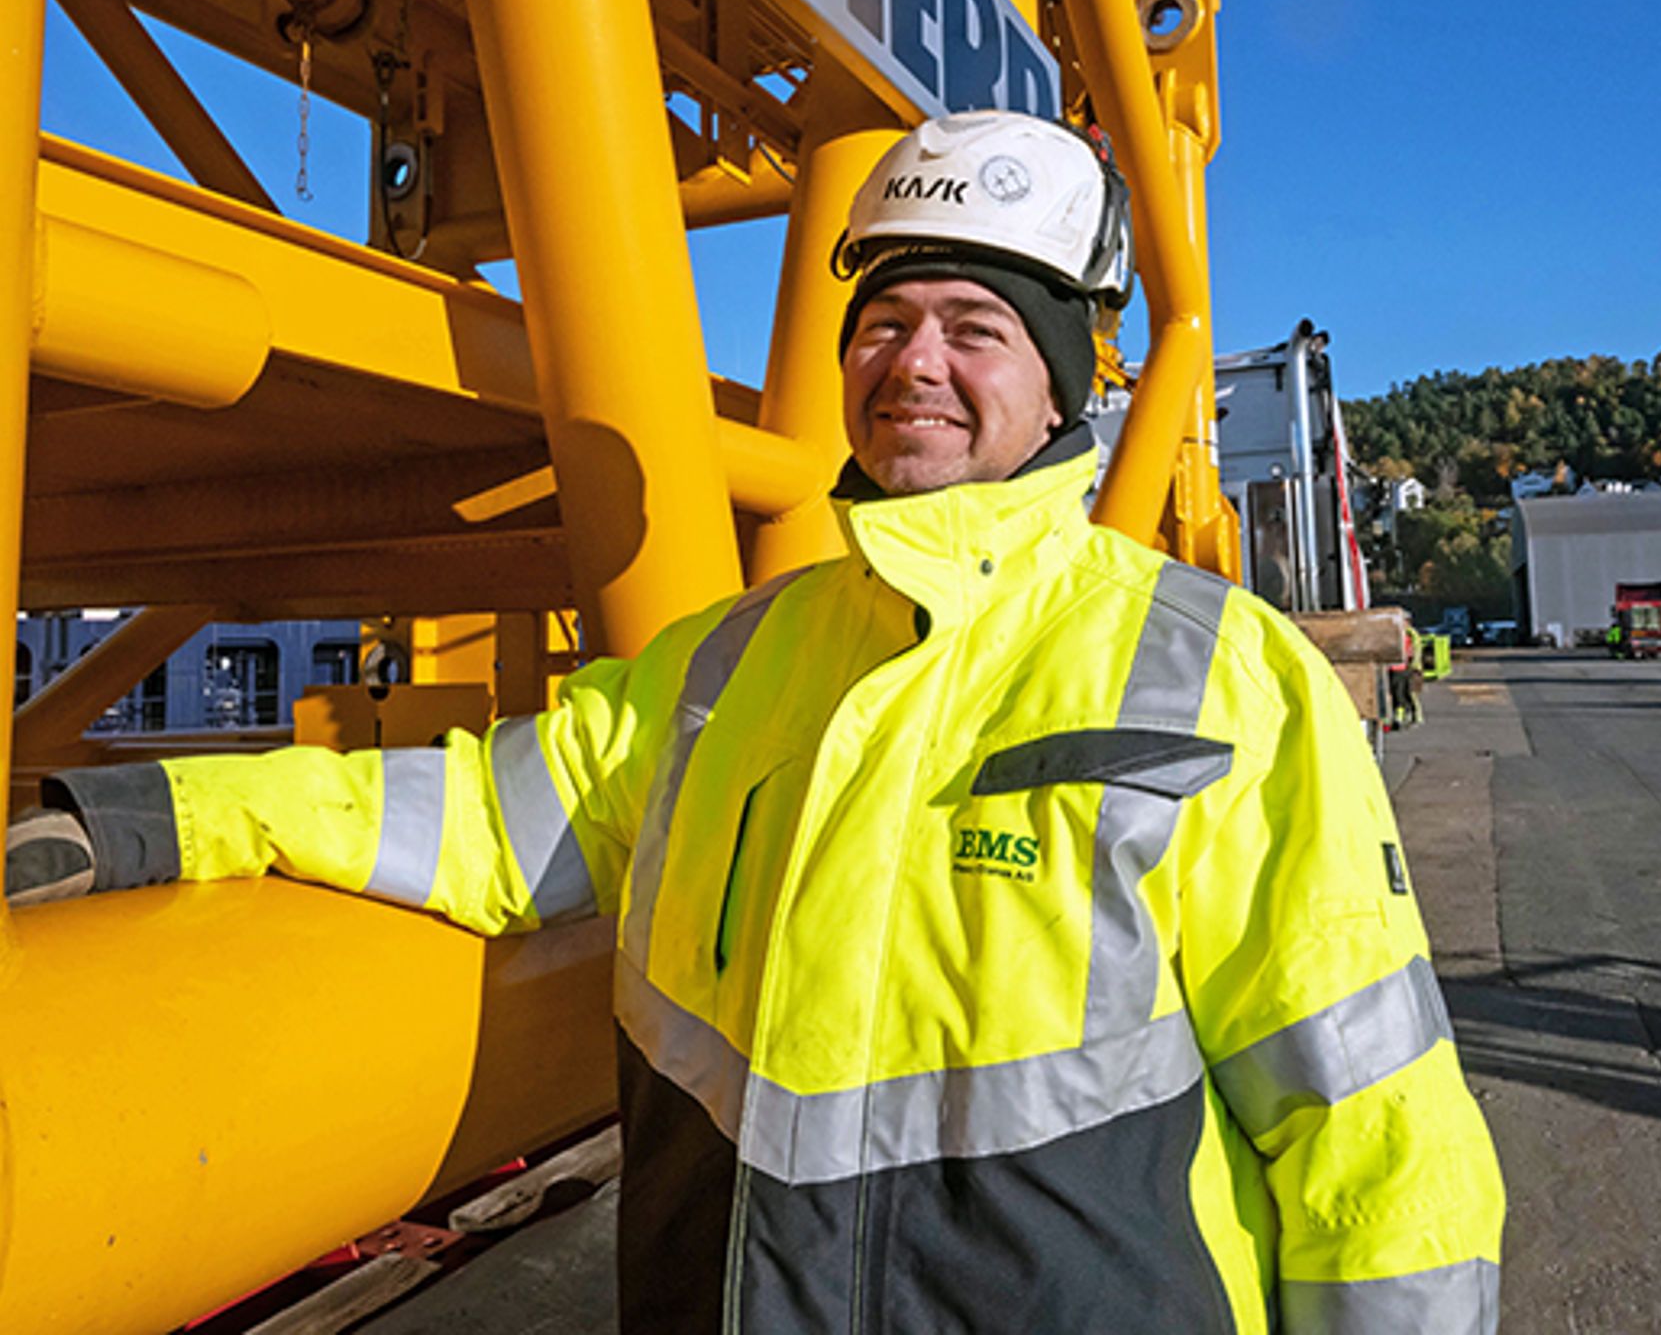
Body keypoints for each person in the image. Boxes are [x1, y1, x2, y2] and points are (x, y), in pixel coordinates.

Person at [7, 111, 1504, 1333]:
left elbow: (1373, 1133)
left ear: (1060, 384)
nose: (915, 362)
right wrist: (152, 817)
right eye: (887, 320)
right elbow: (477, 819)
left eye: (976, 326)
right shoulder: (723, 662)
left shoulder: (1214, 674)